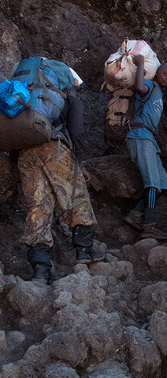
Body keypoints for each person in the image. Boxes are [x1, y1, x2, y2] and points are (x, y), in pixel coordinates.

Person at [17, 77, 102, 282]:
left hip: (25, 154)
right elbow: (75, 130)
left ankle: (40, 269)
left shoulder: (26, 96)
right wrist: (78, 164)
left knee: (38, 208)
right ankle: (84, 251)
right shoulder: (69, 98)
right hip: (54, 148)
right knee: (75, 195)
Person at [124, 55, 167, 240]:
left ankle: (135, 215)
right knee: (152, 183)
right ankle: (149, 226)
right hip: (139, 136)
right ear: (157, 73)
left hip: (149, 139)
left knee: (162, 185)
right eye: (166, 74)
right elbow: (139, 87)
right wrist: (139, 64)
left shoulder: (159, 93)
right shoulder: (150, 86)